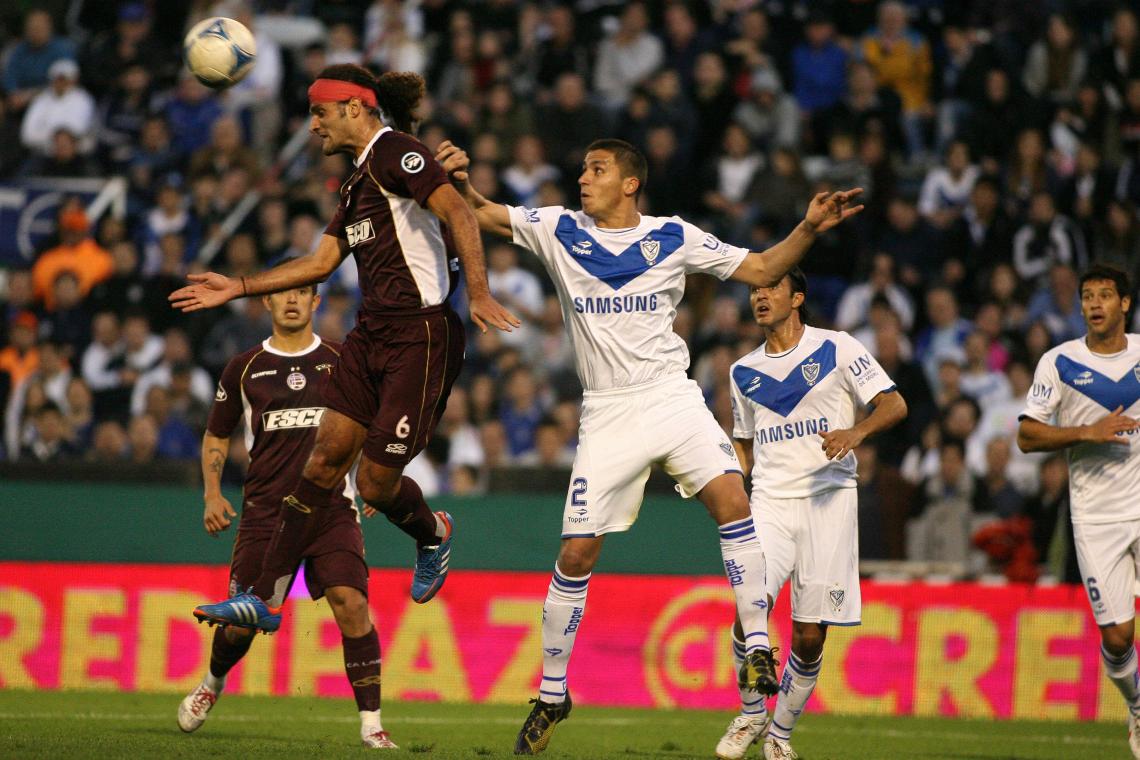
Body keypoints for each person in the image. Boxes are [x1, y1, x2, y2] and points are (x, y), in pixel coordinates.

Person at [434, 137, 862, 755]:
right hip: (607, 412)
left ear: (629, 183)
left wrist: (810, 225)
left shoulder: (673, 237)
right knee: (577, 554)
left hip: (670, 395)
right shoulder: (558, 228)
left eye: (597, 169)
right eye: (582, 167)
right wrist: (463, 183)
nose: (583, 177)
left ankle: (758, 647)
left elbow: (764, 269)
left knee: (732, 498)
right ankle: (553, 692)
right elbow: (484, 212)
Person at [170, 65, 518, 633]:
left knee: (377, 484)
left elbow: (456, 208)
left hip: (421, 335)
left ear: (354, 108)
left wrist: (478, 291)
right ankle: (263, 598)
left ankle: (434, 533)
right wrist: (238, 286)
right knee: (324, 462)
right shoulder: (356, 183)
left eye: (319, 113)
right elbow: (319, 263)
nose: (312, 126)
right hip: (369, 334)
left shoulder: (396, 153)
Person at [176, 284, 395, 749]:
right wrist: (212, 494)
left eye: (303, 292)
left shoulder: (343, 360)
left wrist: (382, 479)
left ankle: (372, 725)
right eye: (283, 294)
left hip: (331, 508)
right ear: (267, 303)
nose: (292, 300)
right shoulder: (245, 367)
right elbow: (217, 434)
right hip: (266, 513)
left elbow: (379, 420)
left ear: (316, 303)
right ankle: (212, 684)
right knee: (240, 626)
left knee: (352, 604)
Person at [720, 269, 906, 760]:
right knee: (749, 609)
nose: (759, 296)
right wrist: (716, 476)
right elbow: (744, 446)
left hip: (830, 500)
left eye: (771, 288)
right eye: (754, 290)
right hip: (771, 501)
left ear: (797, 296)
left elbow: (895, 404)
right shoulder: (743, 371)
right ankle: (751, 713)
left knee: (808, 633)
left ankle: (779, 735)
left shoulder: (838, 347)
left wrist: (856, 433)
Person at [1017, 263, 1140, 760]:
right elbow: (1027, 435)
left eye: (1105, 295)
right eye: (1088, 296)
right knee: (1116, 638)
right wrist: (1083, 433)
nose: (1094, 303)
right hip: (1095, 518)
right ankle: (1136, 706)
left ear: (1124, 304)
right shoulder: (1059, 363)